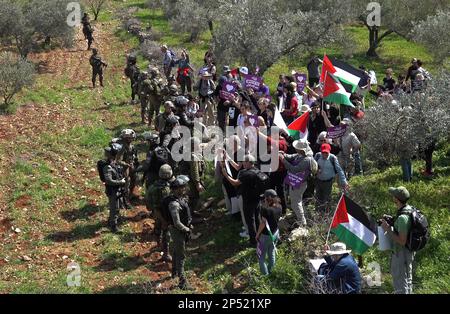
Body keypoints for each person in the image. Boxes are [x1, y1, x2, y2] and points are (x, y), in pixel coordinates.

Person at [380, 186, 415, 294]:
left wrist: (387, 229)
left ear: (397, 199)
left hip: (401, 253)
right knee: (407, 279)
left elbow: (402, 241)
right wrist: (392, 221)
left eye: (394, 195)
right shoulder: (409, 209)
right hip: (408, 251)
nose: (392, 197)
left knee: (400, 281)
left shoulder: (402, 218)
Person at [221, 154, 261, 246]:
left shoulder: (245, 174)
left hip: (248, 199)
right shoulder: (257, 169)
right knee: (257, 218)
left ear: (248, 162)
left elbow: (235, 183)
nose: (242, 163)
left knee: (250, 221)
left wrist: (226, 175)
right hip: (257, 198)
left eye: (244, 162)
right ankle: (260, 236)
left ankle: (253, 242)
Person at [164, 175, 194, 290]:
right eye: (182, 187)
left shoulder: (179, 199)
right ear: (176, 189)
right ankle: (182, 282)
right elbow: (176, 223)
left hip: (180, 230)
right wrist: (187, 229)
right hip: (177, 231)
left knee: (176, 251)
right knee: (181, 256)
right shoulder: (174, 204)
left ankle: (174, 272)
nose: (185, 189)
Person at [280, 139, 317, 226]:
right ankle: (300, 216)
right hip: (295, 182)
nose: (295, 149)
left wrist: (283, 160)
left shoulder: (307, 160)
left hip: (299, 184)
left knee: (295, 203)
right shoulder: (300, 155)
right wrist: (283, 154)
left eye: (297, 148)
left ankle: (302, 222)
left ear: (301, 150)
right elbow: (291, 156)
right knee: (297, 201)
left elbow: (294, 169)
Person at [146, 164, 174, 263]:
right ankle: (166, 254)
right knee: (166, 232)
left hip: (155, 212)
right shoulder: (168, 188)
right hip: (165, 213)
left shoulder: (153, 186)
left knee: (157, 227)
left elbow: (148, 203)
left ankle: (158, 244)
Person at [314, 144, 349, 211]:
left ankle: (326, 214)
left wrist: (344, 182)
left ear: (329, 151)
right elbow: (313, 166)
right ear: (320, 151)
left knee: (326, 198)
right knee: (318, 198)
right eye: (323, 152)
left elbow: (339, 170)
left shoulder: (332, 158)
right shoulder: (317, 156)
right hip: (318, 181)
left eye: (326, 153)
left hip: (328, 182)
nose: (324, 154)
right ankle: (318, 213)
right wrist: (316, 170)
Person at [256, 190, 282, 275]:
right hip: (275, 233)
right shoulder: (279, 206)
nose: (264, 199)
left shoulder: (266, 209)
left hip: (266, 236)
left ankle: (265, 275)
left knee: (261, 257)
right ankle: (271, 270)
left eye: (265, 198)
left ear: (269, 198)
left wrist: (257, 234)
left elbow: (263, 223)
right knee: (271, 252)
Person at [102, 144, 126, 233]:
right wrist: (121, 182)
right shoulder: (107, 167)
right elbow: (109, 181)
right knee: (114, 208)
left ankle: (113, 221)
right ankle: (113, 226)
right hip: (112, 191)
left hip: (117, 190)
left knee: (117, 207)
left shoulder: (114, 163)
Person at [116, 129, 139, 208]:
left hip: (130, 165)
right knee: (126, 182)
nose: (132, 139)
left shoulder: (131, 146)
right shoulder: (122, 148)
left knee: (134, 179)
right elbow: (117, 160)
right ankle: (125, 201)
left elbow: (133, 156)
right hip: (124, 167)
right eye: (130, 138)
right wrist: (126, 164)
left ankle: (130, 194)